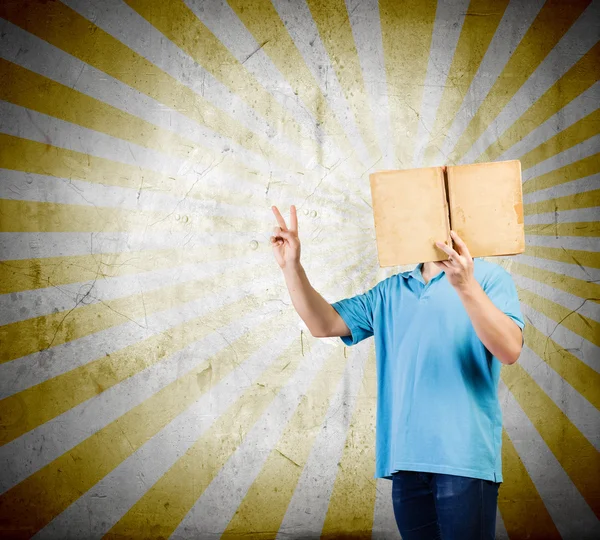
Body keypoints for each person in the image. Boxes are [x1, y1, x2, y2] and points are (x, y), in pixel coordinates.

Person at [270, 203, 525, 540]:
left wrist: (466, 286)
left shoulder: (491, 279)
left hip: (464, 459)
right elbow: (323, 323)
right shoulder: (390, 291)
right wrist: (292, 268)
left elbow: (509, 350)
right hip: (406, 461)